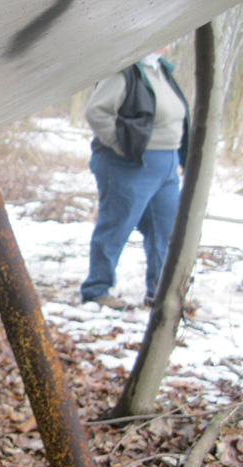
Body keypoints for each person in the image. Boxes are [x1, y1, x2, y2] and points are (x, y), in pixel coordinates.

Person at [81, 47, 190, 310]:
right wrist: (121, 145)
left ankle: (160, 293)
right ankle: (97, 289)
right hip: (130, 164)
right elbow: (96, 111)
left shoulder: (161, 69)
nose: (168, 42)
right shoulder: (126, 69)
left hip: (167, 165)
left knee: (165, 230)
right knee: (116, 226)